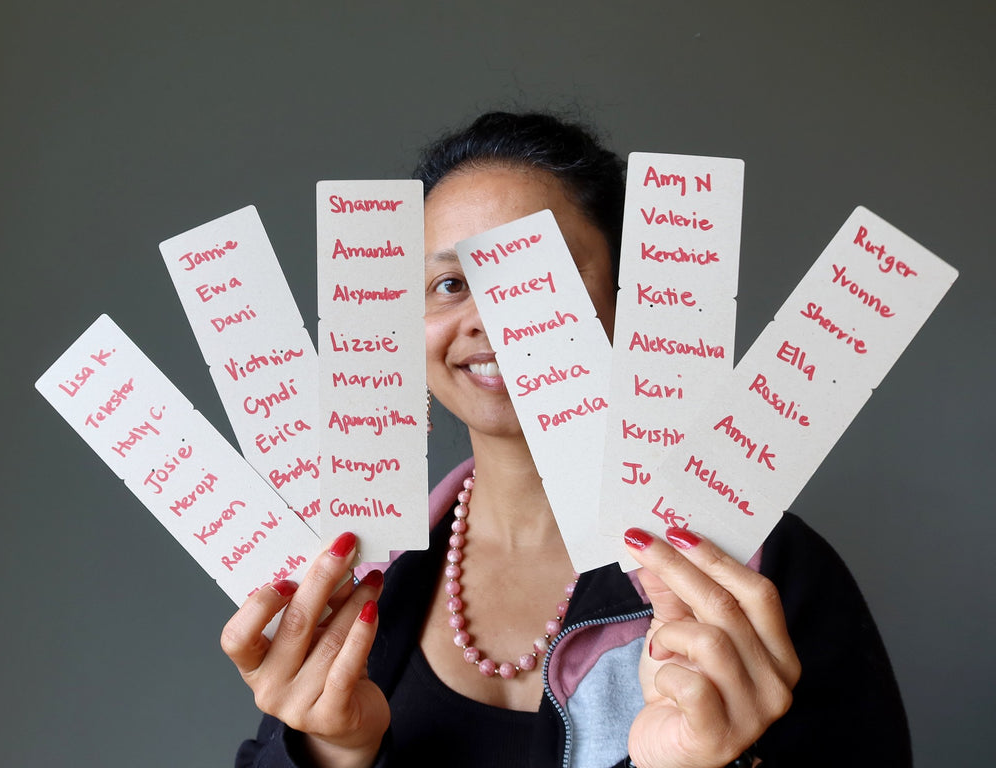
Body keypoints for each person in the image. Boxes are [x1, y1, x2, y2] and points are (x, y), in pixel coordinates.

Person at [221, 112, 911, 767]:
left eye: (534, 274)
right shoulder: (359, 573)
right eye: (450, 282)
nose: (489, 318)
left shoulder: (763, 571)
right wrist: (332, 752)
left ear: (627, 295)